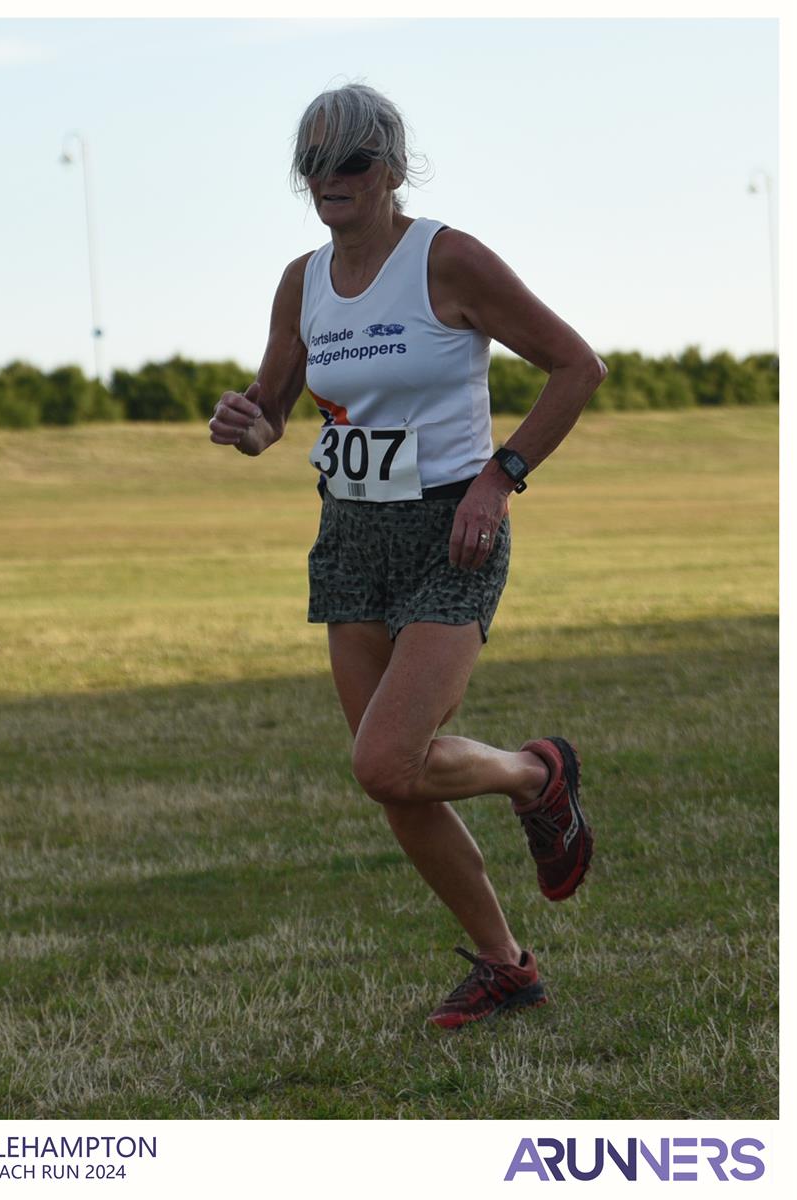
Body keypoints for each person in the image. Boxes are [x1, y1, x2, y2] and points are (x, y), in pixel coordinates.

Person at [209, 83, 606, 1029]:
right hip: (349, 534)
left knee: (386, 761)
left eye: (348, 161)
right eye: (314, 164)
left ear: (389, 167)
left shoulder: (448, 260)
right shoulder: (301, 280)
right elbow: (273, 408)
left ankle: (534, 775)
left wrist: (498, 478)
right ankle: (508, 967)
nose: (328, 180)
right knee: (395, 779)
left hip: (450, 532)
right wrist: (247, 425)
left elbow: (576, 365)